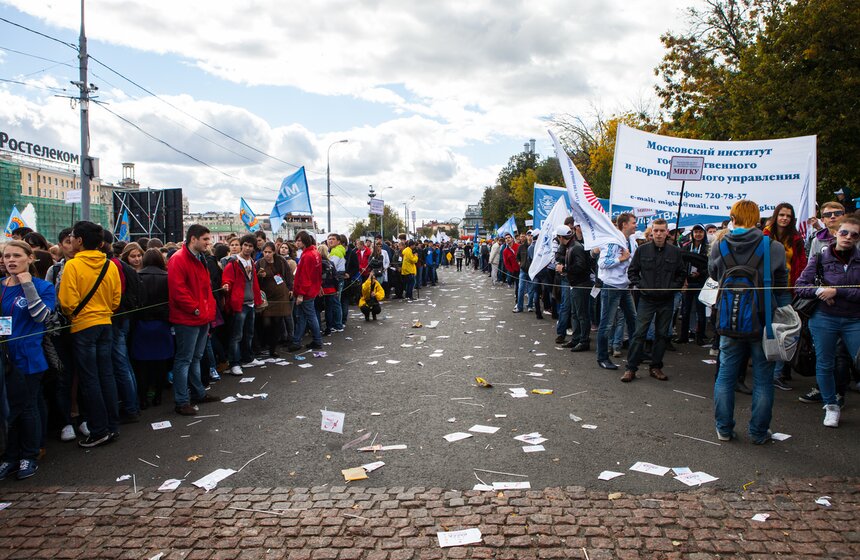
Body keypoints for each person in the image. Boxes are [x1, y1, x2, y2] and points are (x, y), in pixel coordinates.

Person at [709, 200, 788, 443]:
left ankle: (723, 429)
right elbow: (782, 284)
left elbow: (713, 275)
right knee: (763, 379)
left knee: (725, 375)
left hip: (729, 320)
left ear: (732, 217)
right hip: (763, 320)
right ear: (756, 218)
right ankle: (758, 432)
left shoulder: (720, 244)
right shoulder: (772, 246)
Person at [57, 221, 122, 447]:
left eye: (73, 236)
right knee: (107, 375)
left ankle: (99, 429)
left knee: (90, 379)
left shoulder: (73, 266)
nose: (71, 240)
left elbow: (66, 302)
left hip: (83, 326)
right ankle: (112, 425)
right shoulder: (110, 265)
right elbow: (116, 300)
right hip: (106, 323)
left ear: (80, 241)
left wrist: (76, 314)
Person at [795, 215, 860, 428]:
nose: (848, 237)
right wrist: (820, 290)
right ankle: (831, 405)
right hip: (824, 318)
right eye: (844, 232)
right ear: (835, 233)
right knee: (825, 362)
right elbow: (800, 287)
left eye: (854, 234)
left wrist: (837, 292)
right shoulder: (821, 258)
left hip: (854, 319)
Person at [0, 241, 56, 479]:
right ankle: (10, 456)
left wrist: (27, 285)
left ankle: (29, 454)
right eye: (6, 256)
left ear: (30, 258)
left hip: (28, 357)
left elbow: (42, 315)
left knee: (27, 407)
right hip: (4, 357)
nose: (10, 260)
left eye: (16, 255)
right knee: (7, 410)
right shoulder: (1, 286)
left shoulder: (43, 287)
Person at [623, 219, 686, 383]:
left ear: (667, 233)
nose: (658, 234)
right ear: (651, 233)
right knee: (639, 334)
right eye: (656, 231)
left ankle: (656, 366)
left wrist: (673, 288)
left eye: (661, 231)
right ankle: (631, 368)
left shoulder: (675, 252)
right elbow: (633, 271)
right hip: (646, 299)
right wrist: (641, 285)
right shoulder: (642, 250)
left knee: (662, 334)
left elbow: (681, 273)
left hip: (666, 299)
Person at [167, 225, 221, 416]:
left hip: (200, 316)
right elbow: (178, 291)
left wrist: (206, 310)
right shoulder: (178, 260)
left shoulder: (200, 259)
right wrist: (196, 309)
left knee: (195, 358)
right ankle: (182, 401)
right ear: (193, 239)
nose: (209, 242)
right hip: (188, 318)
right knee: (184, 359)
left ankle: (197, 392)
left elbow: (206, 288)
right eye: (205, 239)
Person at [762, 203, 808, 390]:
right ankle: (765, 370)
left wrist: (798, 286)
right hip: (765, 288)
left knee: (783, 330)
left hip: (786, 289)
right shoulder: (764, 235)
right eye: (781, 214)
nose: (784, 218)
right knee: (765, 328)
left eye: (788, 216)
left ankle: (777, 373)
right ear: (775, 216)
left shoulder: (796, 238)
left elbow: (801, 264)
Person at [596, 213, 638, 370]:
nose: (636, 225)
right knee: (606, 324)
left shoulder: (631, 240)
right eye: (633, 223)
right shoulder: (613, 241)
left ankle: (637, 353)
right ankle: (602, 357)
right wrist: (621, 259)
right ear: (624, 224)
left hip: (624, 286)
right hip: (611, 287)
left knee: (633, 320)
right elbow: (603, 262)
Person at [131, 249, 172, 409]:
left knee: (142, 364)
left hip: (142, 323)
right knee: (161, 362)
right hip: (162, 324)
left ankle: (142, 398)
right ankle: (158, 396)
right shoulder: (167, 277)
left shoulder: (138, 276)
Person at [222, 235, 264, 375]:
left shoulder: (251, 261)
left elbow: (254, 283)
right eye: (245, 245)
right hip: (239, 304)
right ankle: (235, 362)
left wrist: (257, 300)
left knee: (249, 333)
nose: (247, 248)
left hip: (250, 303)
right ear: (241, 245)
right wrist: (226, 286)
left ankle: (248, 358)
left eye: (250, 246)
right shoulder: (233, 262)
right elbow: (227, 280)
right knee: (237, 335)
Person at [287, 231, 323, 352]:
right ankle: (297, 341)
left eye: (299, 241)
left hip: (306, 292)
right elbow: (317, 274)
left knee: (309, 316)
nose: (297, 243)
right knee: (303, 316)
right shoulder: (315, 253)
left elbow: (305, 276)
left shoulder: (307, 255)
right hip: (311, 289)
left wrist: (301, 294)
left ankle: (317, 340)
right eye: (296, 240)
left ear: (305, 241)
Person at [256, 242, 293, 358]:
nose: (267, 254)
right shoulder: (259, 263)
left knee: (277, 323)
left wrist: (290, 288)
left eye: (269, 252)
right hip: (267, 297)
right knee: (266, 323)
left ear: (274, 252)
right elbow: (256, 281)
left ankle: (273, 348)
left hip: (280, 295)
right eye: (265, 252)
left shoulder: (281, 261)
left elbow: (288, 275)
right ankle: (266, 345)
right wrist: (259, 276)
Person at [677, 224, 710, 345]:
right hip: (688, 282)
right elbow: (681, 264)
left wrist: (700, 273)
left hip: (700, 283)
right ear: (692, 234)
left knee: (700, 311)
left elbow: (709, 266)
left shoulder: (707, 248)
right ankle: (683, 336)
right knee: (685, 310)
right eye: (696, 232)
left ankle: (700, 337)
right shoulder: (686, 248)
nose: (698, 234)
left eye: (700, 232)